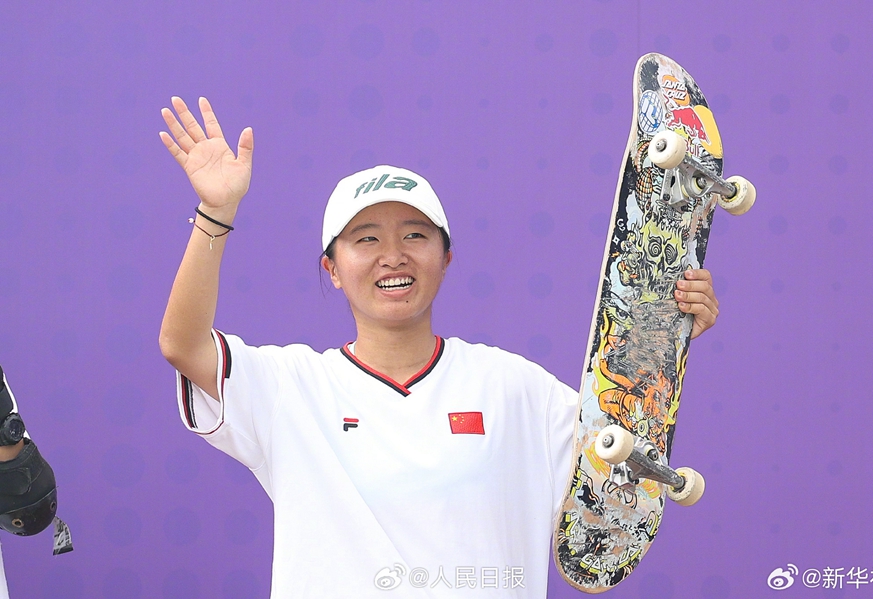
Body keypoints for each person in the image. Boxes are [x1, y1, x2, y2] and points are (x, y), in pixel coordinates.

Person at [158, 97, 720, 598]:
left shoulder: (514, 388)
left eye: (415, 235)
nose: (393, 255)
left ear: (446, 259)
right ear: (332, 269)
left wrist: (658, 340)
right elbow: (182, 345)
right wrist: (216, 214)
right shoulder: (291, 387)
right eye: (366, 239)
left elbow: (614, 476)